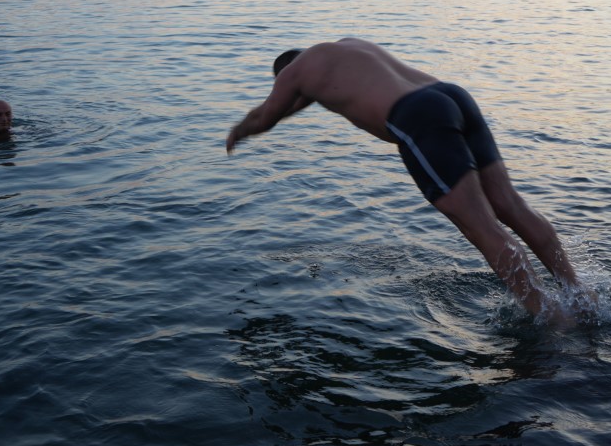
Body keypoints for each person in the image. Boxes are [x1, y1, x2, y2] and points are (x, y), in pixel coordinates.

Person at [226, 37, 588, 322]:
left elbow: (266, 117)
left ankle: (552, 318)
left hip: (417, 117)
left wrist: (237, 132)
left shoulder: (293, 75)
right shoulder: (346, 49)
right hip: (451, 95)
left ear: (286, 75)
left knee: (482, 228)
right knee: (511, 206)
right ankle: (581, 296)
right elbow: (307, 97)